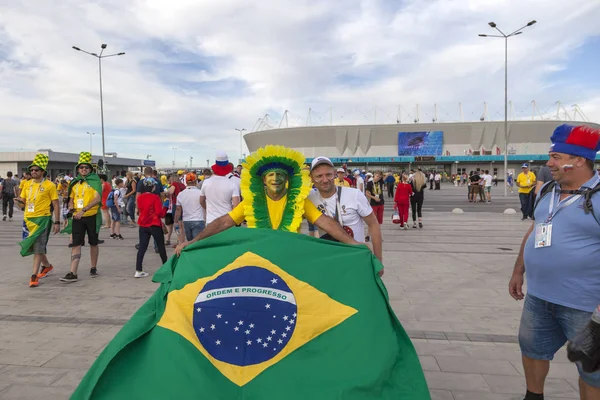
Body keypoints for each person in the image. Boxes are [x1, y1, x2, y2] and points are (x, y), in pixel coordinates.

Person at [509, 124, 600, 400]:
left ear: (579, 160)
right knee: (532, 350)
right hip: (539, 298)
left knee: (591, 369)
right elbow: (535, 229)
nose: (549, 163)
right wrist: (518, 270)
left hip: (585, 306)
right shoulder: (547, 190)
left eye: (557, 157)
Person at [176, 145, 362, 257]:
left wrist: (352, 243)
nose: (275, 178)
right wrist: (193, 242)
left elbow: (326, 222)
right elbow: (224, 221)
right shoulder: (251, 201)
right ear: (263, 180)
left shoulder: (298, 201)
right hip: (259, 259)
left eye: (280, 175)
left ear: (287, 179)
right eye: (271, 175)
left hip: (290, 258)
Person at [308, 156, 382, 261]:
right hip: (329, 259)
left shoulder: (354, 195)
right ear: (311, 177)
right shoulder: (309, 197)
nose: (324, 180)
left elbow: (373, 224)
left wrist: (378, 259)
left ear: (334, 174)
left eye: (328, 174)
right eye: (319, 176)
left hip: (356, 257)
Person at [15, 154, 60, 287]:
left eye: (36, 170)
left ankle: (34, 275)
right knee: (35, 247)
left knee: (38, 247)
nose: (33, 172)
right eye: (32, 170)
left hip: (43, 219)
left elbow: (56, 204)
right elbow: (23, 204)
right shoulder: (27, 184)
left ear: (42, 172)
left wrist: (57, 222)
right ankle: (47, 266)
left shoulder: (50, 185)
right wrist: (18, 202)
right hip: (28, 219)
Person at [60, 152, 102, 283]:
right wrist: (71, 206)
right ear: (78, 169)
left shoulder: (94, 181)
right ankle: (73, 272)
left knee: (93, 243)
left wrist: (84, 210)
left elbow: (97, 199)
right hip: (77, 217)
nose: (84, 169)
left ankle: (93, 267)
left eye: (86, 167)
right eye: (81, 167)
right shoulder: (75, 182)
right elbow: (71, 198)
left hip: (92, 216)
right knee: (76, 243)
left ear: (90, 169)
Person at [135, 178, 168, 278]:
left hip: (143, 224)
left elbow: (140, 210)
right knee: (161, 246)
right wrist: (165, 207)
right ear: (153, 187)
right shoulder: (155, 197)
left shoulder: (139, 198)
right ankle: (166, 269)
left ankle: (138, 270)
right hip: (154, 225)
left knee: (142, 248)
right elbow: (159, 213)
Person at [199, 151, 240, 225]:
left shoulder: (206, 182)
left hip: (211, 221)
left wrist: (208, 209)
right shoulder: (232, 183)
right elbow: (236, 205)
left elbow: (201, 201)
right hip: (227, 221)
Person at [175, 172, 205, 241]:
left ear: (186, 181)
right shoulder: (200, 192)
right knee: (197, 243)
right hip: (198, 219)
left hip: (186, 220)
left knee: (190, 242)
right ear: (195, 181)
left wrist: (176, 220)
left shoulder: (181, 194)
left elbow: (178, 209)